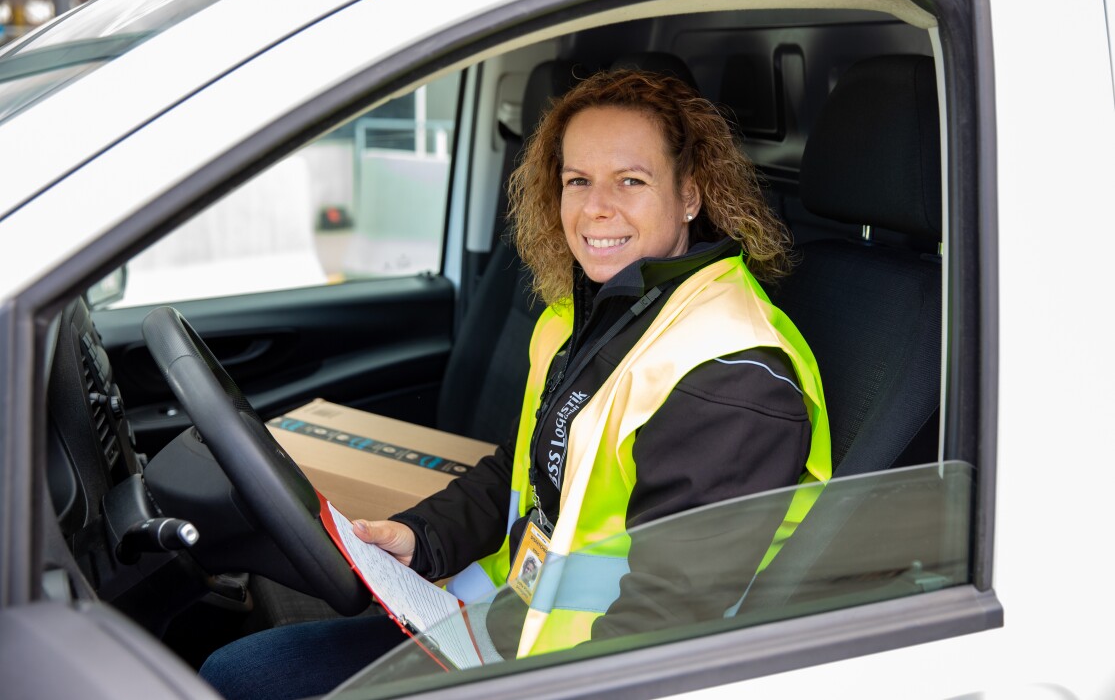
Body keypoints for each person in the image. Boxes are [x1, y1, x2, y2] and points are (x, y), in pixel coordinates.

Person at [199, 69, 830, 699]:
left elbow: (660, 634)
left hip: (567, 674)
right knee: (238, 669)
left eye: (630, 182)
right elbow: (522, 469)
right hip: (499, 628)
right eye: (577, 181)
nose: (595, 208)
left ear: (690, 195)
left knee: (240, 677)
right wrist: (421, 537)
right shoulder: (590, 314)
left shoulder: (725, 376)